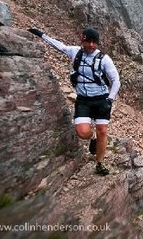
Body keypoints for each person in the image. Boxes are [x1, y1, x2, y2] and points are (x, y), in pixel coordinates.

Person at [28, 27, 121, 176]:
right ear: (82, 40)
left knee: (102, 130)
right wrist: (41, 35)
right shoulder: (75, 52)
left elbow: (116, 80)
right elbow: (58, 45)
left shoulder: (104, 59)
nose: (91, 45)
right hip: (83, 100)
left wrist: (110, 99)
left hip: (101, 100)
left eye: (94, 42)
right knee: (82, 132)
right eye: (88, 41)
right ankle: (92, 137)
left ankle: (99, 163)